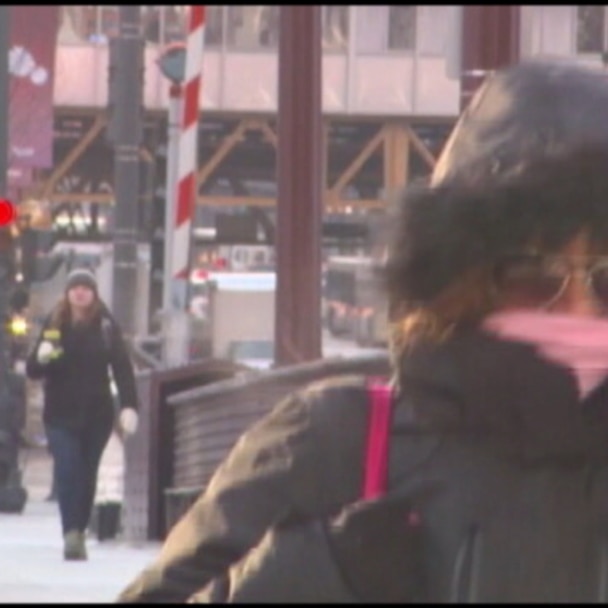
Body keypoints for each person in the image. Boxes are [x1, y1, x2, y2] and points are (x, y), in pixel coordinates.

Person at [118, 60, 608, 603]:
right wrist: (312, 576)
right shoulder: (337, 440)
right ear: (458, 279)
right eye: (530, 274)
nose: (581, 308)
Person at [26, 268, 139, 561]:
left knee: (88, 474)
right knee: (68, 470)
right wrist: (41, 357)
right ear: (67, 293)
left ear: (94, 294)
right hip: (59, 413)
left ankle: (79, 528)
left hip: (96, 414)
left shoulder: (106, 326)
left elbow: (122, 367)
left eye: (85, 288)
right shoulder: (55, 323)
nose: (80, 292)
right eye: (75, 287)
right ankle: (71, 533)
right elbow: (33, 370)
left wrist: (129, 405)